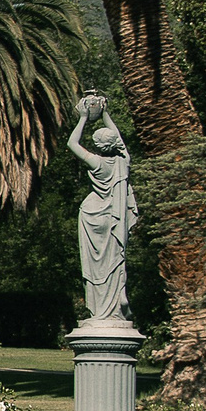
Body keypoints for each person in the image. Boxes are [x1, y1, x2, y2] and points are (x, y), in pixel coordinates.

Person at [67, 92, 137, 323]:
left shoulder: (97, 163)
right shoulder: (122, 162)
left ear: (99, 145)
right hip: (113, 218)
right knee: (114, 262)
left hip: (92, 216)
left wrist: (84, 117)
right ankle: (114, 305)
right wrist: (105, 113)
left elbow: (72, 143)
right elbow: (119, 140)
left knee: (96, 267)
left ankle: (100, 311)